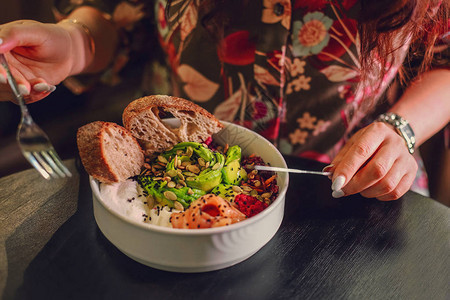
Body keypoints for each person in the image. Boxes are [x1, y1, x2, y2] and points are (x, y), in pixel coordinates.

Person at [0, 0, 448, 201]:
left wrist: (400, 129)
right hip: (162, 173)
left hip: (348, 184)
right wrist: (76, 44)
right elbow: (120, 18)